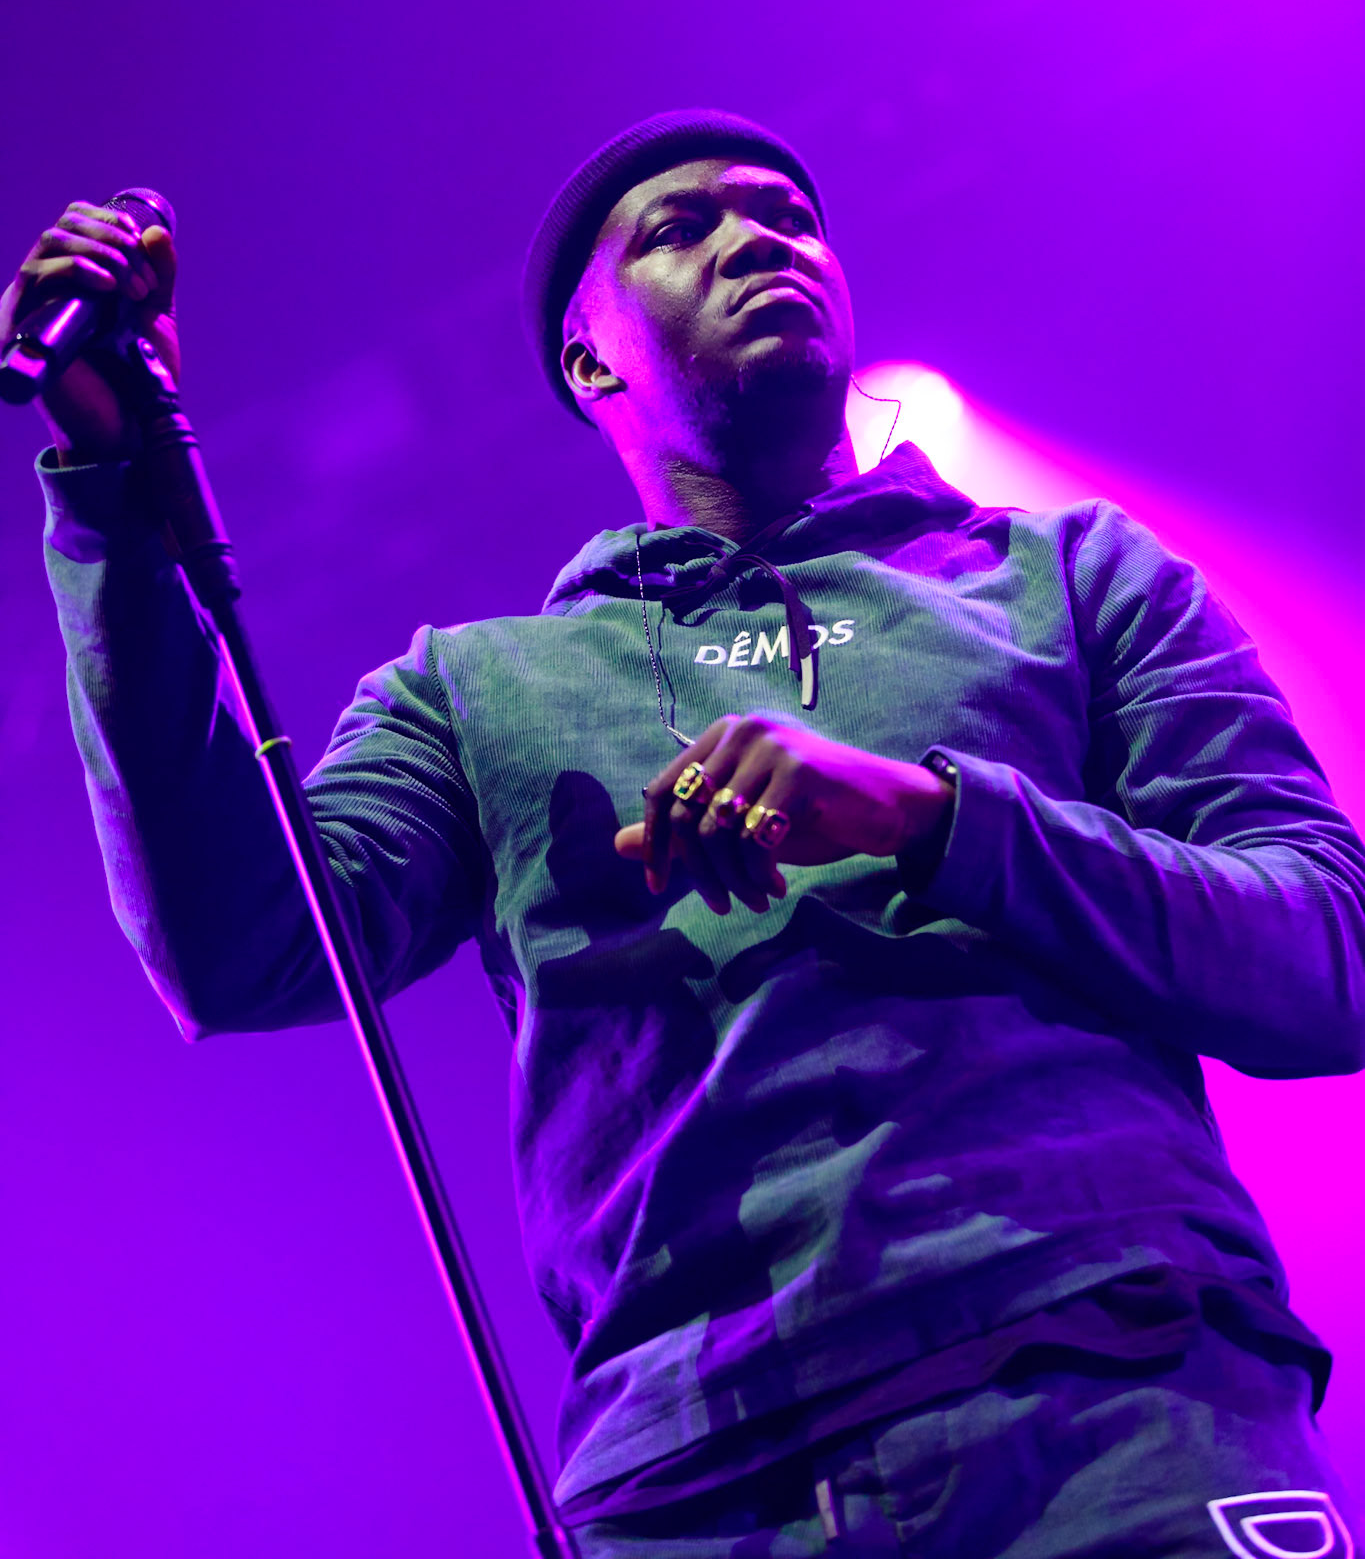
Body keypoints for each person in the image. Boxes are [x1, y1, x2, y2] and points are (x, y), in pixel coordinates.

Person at [5, 108, 1364, 1559]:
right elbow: (236, 948)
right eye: (680, 229)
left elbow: (1320, 957)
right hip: (702, 1487)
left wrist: (930, 816)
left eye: (785, 212)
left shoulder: (1073, 577)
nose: (759, 237)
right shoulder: (472, 690)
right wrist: (116, 511)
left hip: (1114, 1404)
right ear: (591, 360)